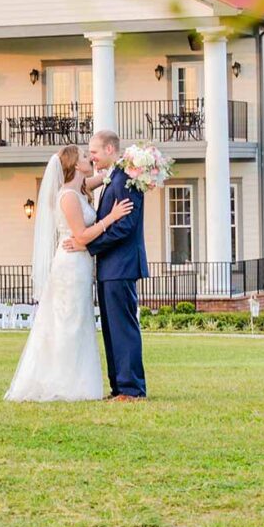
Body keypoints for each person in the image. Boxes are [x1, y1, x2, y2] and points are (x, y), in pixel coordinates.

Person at [4, 144, 133, 402]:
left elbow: (107, 176)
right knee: (67, 322)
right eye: (86, 156)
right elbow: (82, 235)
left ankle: (77, 381)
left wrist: (126, 160)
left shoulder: (81, 188)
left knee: (80, 320)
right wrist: (112, 217)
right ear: (76, 165)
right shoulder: (68, 197)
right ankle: (63, 382)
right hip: (70, 266)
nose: (90, 159)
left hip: (82, 264)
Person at [65, 129, 147, 400]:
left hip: (121, 266)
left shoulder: (126, 180)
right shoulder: (113, 177)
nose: (92, 157)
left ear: (110, 150)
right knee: (111, 331)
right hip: (109, 268)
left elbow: (125, 226)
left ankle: (132, 388)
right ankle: (119, 387)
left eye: (95, 152)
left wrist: (88, 246)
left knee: (123, 328)